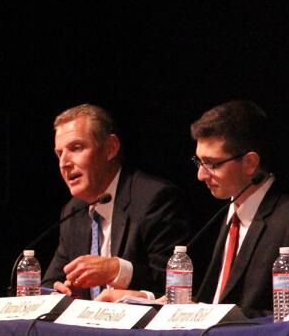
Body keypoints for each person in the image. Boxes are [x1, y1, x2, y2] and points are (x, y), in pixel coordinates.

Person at [45, 104, 189, 297]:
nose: (64, 163)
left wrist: (117, 270)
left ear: (110, 148)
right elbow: (50, 283)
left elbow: (175, 282)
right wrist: (61, 291)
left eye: (76, 148)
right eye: (59, 153)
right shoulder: (74, 211)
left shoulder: (153, 199)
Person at [191, 100, 289, 317]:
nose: (200, 175)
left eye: (212, 164)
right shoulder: (230, 212)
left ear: (250, 163)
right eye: (199, 162)